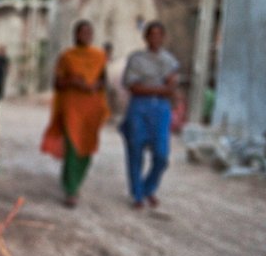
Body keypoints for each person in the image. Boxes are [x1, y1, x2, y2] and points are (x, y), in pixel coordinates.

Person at [40, 20, 109, 207]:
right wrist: (72, 82)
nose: (85, 35)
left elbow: (104, 81)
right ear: (75, 35)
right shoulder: (67, 57)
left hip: (92, 108)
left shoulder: (99, 56)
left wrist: (94, 85)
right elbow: (57, 83)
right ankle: (71, 190)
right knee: (72, 145)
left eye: (89, 32)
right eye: (82, 32)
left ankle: (75, 180)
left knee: (86, 146)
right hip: (71, 107)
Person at [120, 20, 179, 209]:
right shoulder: (136, 59)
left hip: (161, 109)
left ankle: (149, 187)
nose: (155, 38)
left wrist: (151, 88)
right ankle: (137, 194)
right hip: (139, 107)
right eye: (151, 34)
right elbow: (132, 86)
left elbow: (172, 86)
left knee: (161, 155)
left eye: (159, 34)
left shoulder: (169, 60)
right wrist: (160, 88)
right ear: (145, 37)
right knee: (135, 151)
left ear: (163, 37)